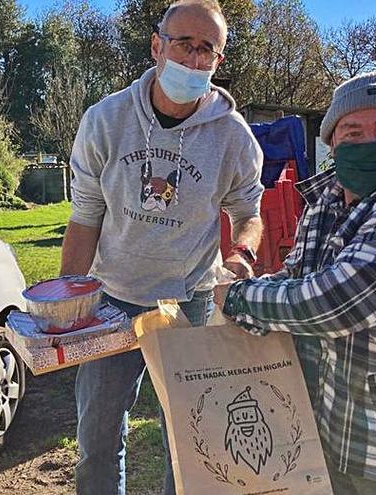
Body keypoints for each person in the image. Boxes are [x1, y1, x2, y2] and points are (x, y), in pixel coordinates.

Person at [217, 71, 376, 495]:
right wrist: (246, 304)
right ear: (331, 142)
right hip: (339, 433)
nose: (368, 141)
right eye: (352, 131)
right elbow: (298, 280)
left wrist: (238, 298)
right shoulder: (326, 203)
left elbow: (334, 303)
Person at [59, 1, 264, 493]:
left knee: (192, 439)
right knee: (97, 440)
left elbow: (249, 214)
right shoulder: (105, 120)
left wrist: (242, 255)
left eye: (206, 50)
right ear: (156, 46)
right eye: (183, 45)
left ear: (218, 61)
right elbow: (85, 218)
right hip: (111, 300)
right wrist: (68, 301)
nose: (193, 59)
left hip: (188, 301)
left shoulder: (233, 137)